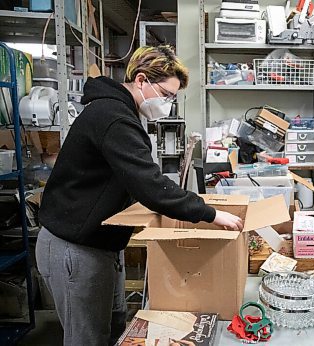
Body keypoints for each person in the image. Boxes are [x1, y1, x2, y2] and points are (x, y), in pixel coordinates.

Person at [35, 45, 243, 346]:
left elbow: (129, 181)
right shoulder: (113, 117)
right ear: (142, 80)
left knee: (114, 327)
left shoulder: (119, 112)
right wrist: (210, 213)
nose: (169, 104)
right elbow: (149, 184)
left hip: (99, 243)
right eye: (167, 95)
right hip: (74, 248)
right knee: (86, 339)